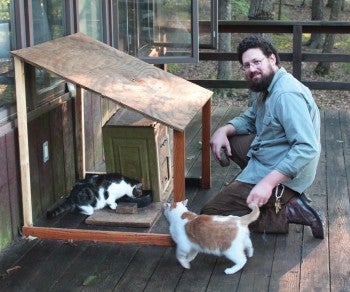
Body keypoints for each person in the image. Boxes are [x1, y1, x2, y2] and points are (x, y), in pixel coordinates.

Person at [201, 35, 324, 239]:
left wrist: (267, 183)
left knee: (210, 214)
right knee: (232, 140)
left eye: (257, 61)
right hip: (272, 153)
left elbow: (307, 147)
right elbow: (251, 118)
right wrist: (223, 130)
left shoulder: (286, 94)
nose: (252, 69)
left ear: (272, 59)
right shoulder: (268, 86)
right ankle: (278, 199)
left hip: (290, 169)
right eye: (246, 65)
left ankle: (283, 210)